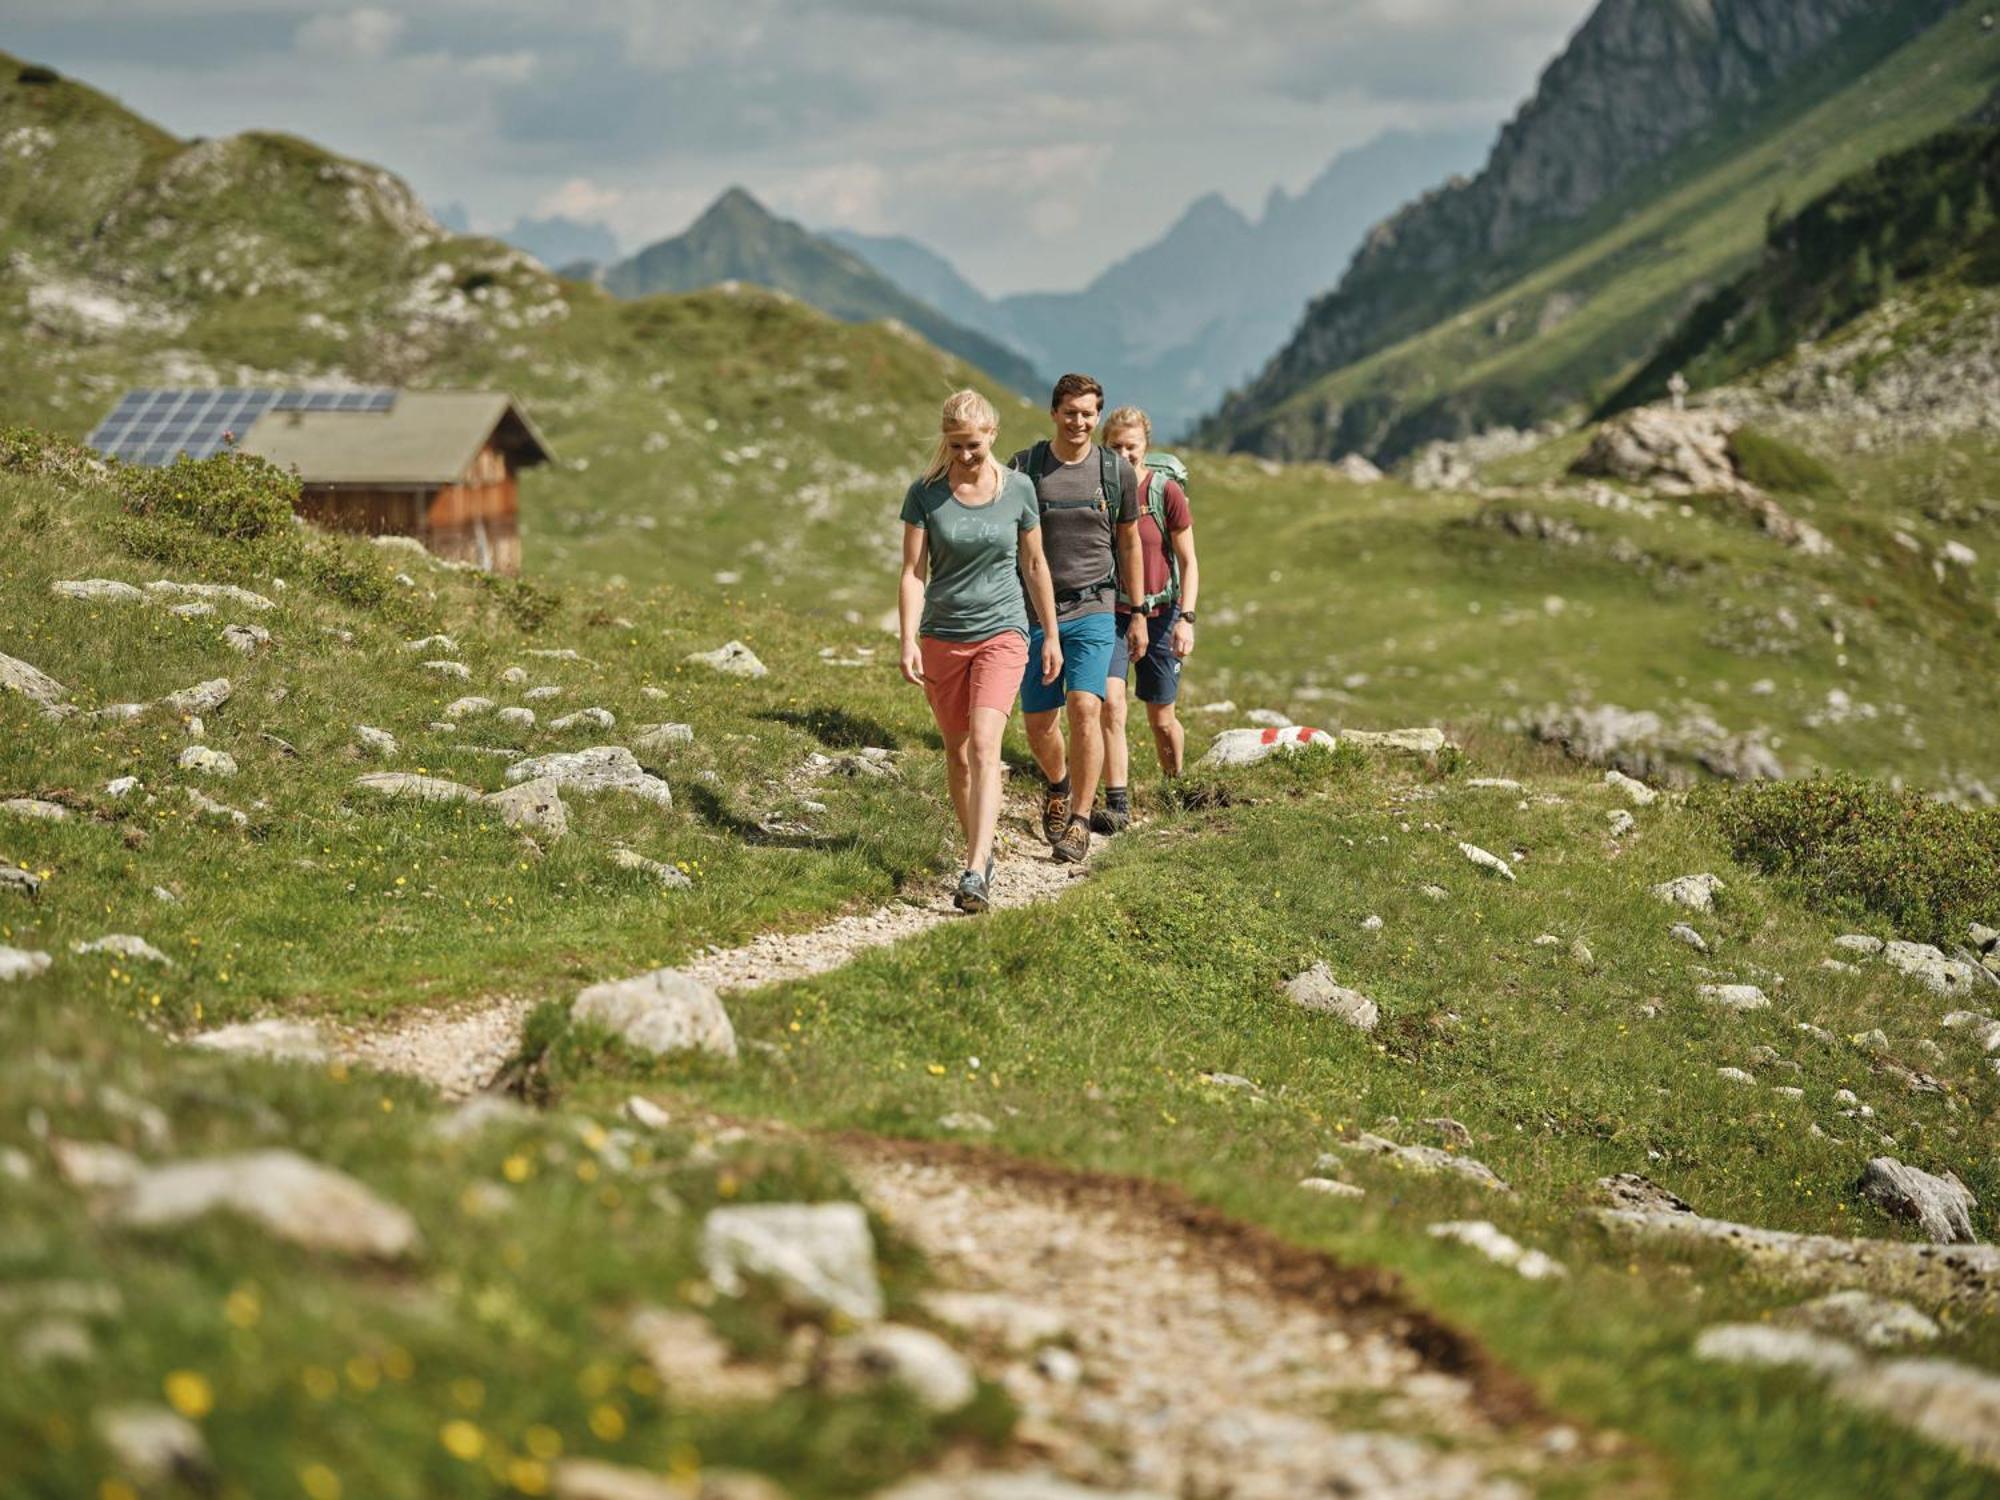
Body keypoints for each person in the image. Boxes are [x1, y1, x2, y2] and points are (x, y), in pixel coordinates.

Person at [899, 389, 1062, 913]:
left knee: (987, 745)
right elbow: (912, 573)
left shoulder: (1018, 490)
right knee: (959, 752)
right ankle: (982, 853)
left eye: (972, 444)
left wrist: (1051, 635)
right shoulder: (925, 493)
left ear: (992, 435)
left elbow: (1035, 566)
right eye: (955, 445)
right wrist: (907, 639)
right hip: (943, 634)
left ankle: (973, 870)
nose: (965, 455)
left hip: (1004, 631)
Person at [1009, 373, 1145, 865]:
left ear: (1098, 416)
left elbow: (1129, 541)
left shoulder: (1115, 472)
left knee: (1087, 708)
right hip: (1036, 612)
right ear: (1054, 413)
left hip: (1095, 606)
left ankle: (1081, 821)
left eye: (1089, 413)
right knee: (1040, 724)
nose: (1080, 422)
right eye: (1071, 412)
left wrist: (1139, 611)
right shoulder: (1025, 469)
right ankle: (1059, 785)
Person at [1094, 405, 1198, 831]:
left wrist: (1186, 618)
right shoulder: (1099, 492)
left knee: (1161, 719)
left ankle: (1176, 785)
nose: (1123, 454)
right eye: (1115, 446)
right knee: (1111, 706)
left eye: (1131, 446)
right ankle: (1117, 805)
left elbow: (1189, 561)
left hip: (1162, 611)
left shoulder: (1164, 492)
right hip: (1111, 612)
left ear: (1145, 447)